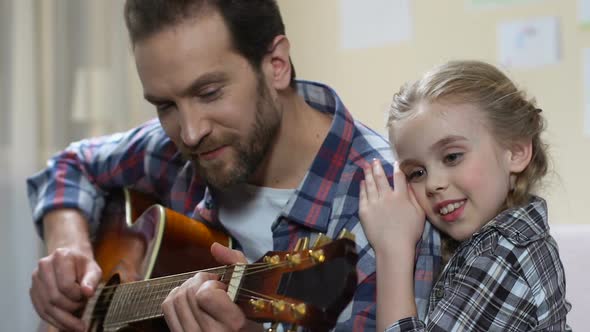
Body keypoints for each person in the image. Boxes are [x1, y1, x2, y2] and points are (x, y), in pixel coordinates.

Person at [27, 1, 442, 331]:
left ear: (276, 65)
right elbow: (70, 164)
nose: (189, 133)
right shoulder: (174, 151)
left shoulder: (388, 210)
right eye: (166, 105)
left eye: (208, 92)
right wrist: (69, 247)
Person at [359, 60, 571, 331]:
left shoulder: (501, 254)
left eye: (452, 157)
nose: (433, 184)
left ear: (516, 152)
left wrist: (393, 250)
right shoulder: (507, 241)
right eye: (417, 173)